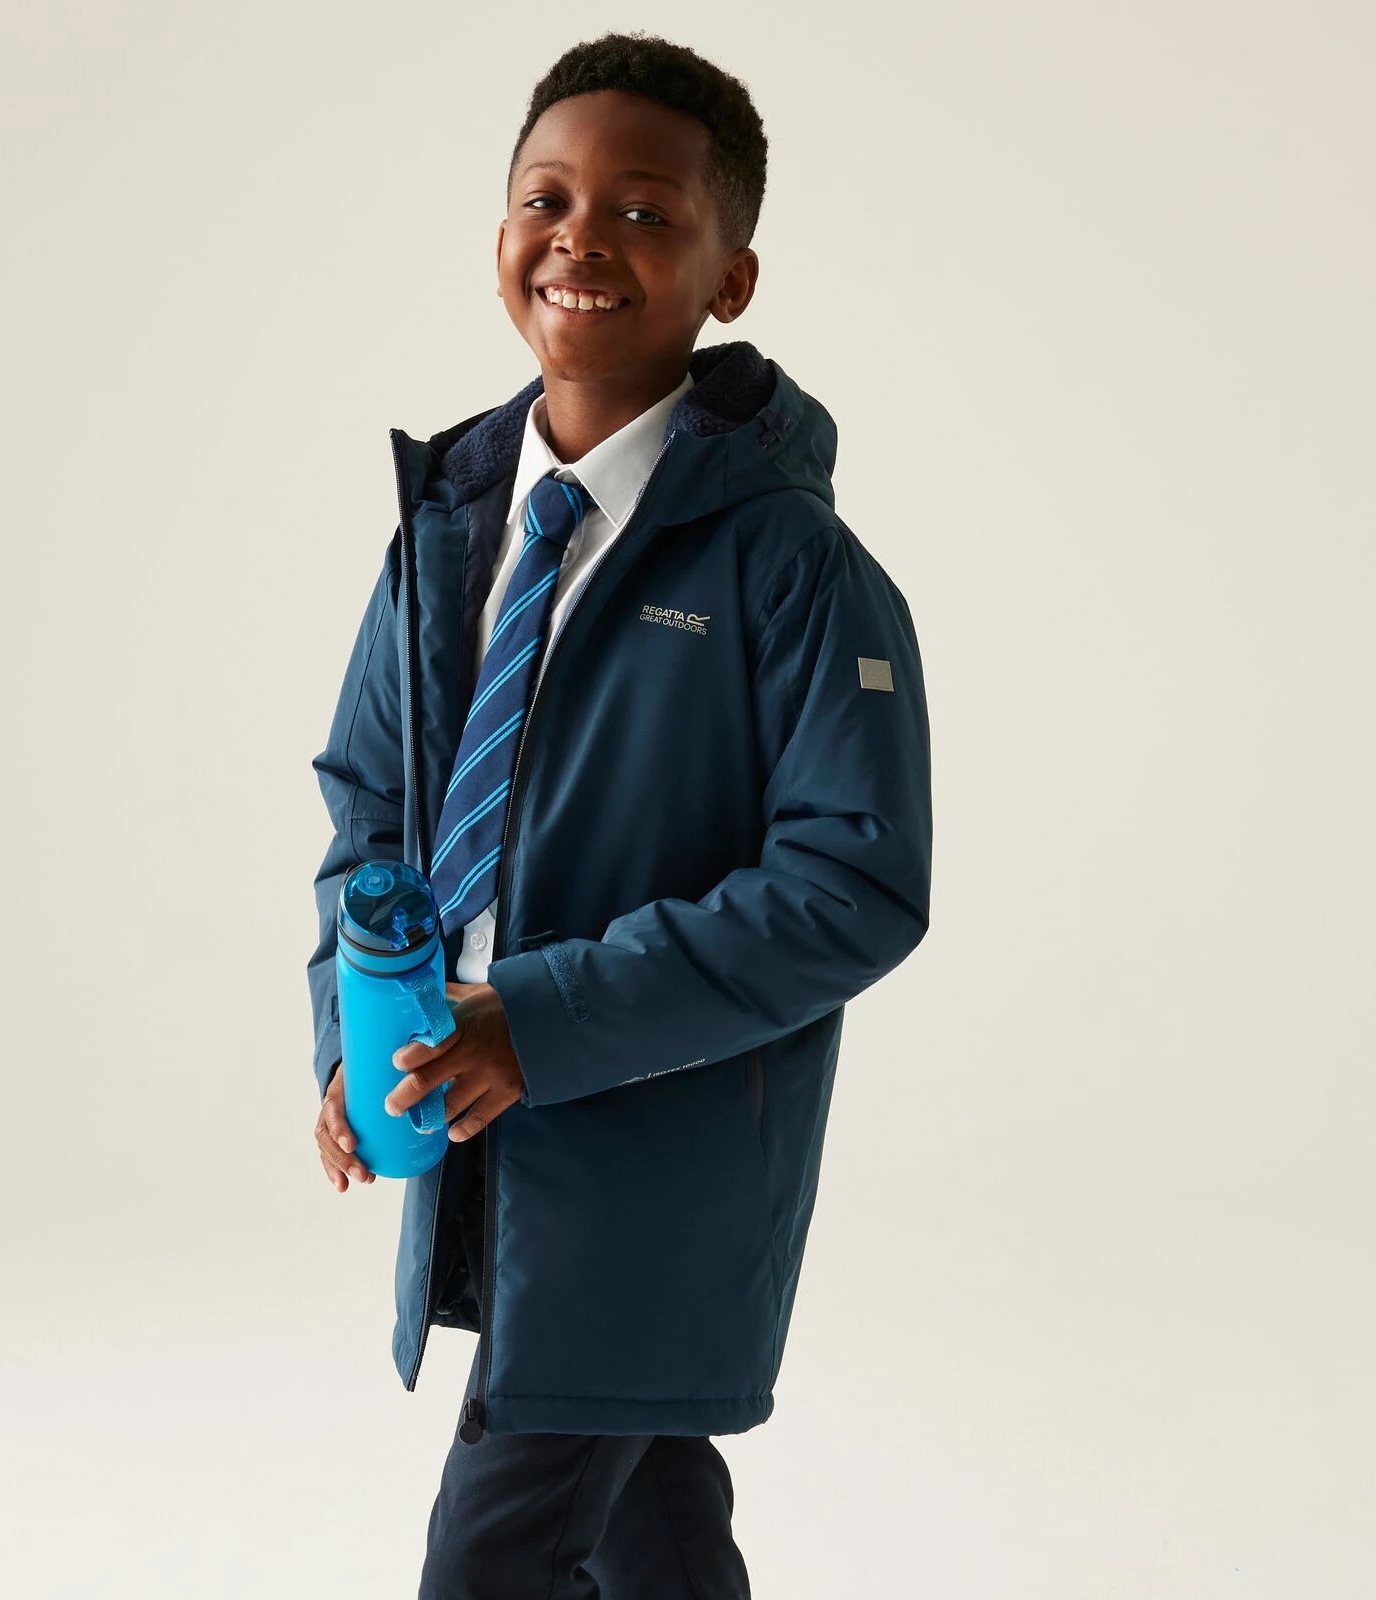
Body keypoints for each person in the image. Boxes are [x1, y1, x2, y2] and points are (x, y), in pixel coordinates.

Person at [305, 30, 932, 1599]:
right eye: (549, 198)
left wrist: (536, 1019)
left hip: (659, 1162)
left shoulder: (791, 567)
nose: (583, 239)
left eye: (646, 212)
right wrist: (350, 1032)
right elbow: (371, 809)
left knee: (495, 1552)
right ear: (502, 234)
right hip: (475, 1120)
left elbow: (851, 886)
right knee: (653, 1534)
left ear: (733, 278)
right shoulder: (449, 528)